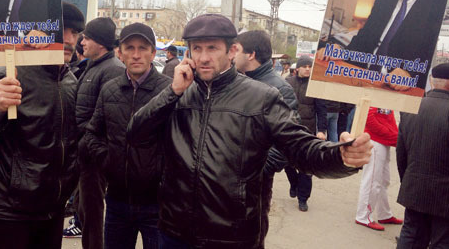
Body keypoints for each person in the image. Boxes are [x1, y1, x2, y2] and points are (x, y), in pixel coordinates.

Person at [127, 13, 373, 248]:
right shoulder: (178, 93)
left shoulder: (261, 97)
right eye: (197, 48)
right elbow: (136, 135)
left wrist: (339, 156)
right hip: (175, 232)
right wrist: (172, 92)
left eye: (212, 48)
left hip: (232, 235)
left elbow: (300, 147)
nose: (203, 57)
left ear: (232, 50)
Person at [0, 3, 85, 249]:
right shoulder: (11, 73)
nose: (70, 39)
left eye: (76, 32)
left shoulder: (70, 81)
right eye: (62, 30)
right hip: (7, 216)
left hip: (51, 212)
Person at [84, 23, 172, 248]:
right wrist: (108, 162)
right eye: (129, 48)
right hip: (117, 200)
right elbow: (93, 133)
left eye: (143, 48)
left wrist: (162, 174)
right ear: (119, 53)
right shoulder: (110, 89)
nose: (136, 55)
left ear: (153, 53)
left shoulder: (169, 91)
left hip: (157, 203)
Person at [318, 0, 449, 91]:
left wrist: (411, 74)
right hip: (363, 80)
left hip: (402, 91)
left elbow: (441, 57)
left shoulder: (442, 2)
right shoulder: (384, 0)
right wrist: (341, 52)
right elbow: (362, 43)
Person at [65, 17, 125, 247]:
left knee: (91, 212)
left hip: (93, 157)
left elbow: (110, 119)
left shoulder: (112, 70)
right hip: (83, 154)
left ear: (100, 42)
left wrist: (91, 149)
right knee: (83, 208)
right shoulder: (93, 66)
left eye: (87, 37)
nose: (82, 42)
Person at [234, 30, 297, 248]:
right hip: (228, 178)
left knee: (253, 234)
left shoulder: (279, 89)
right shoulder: (235, 82)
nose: (232, 54)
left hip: (255, 183)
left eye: (236, 49)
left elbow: (287, 144)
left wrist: (257, 170)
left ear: (250, 54)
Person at [396, 63, 449, 247]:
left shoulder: (411, 107)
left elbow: (401, 154)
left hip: (415, 188)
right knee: (442, 242)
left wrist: (409, 180)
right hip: (444, 195)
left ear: (432, 81)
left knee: (411, 237)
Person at [285, 55, 327, 212]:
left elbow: (322, 110)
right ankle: (294, 183)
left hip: (307, 130)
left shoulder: (316, 86)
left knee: (306, 167)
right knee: (286, 162)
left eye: (310, 67)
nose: (308, 69)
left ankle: (303, 198)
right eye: (305, 66)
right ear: (298, 68)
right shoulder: (287, 83)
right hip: (288, 129)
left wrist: (322, 130)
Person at [355, 107, 402, 231]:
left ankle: (384, 214)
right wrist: (391, 134)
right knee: (372, 181)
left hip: (383, 140)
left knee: (383, 181)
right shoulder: (376, 94)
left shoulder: (386, 95)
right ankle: (363, 216)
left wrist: (393, 135)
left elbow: (388, 118)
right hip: (375, 141)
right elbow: (368, 118)